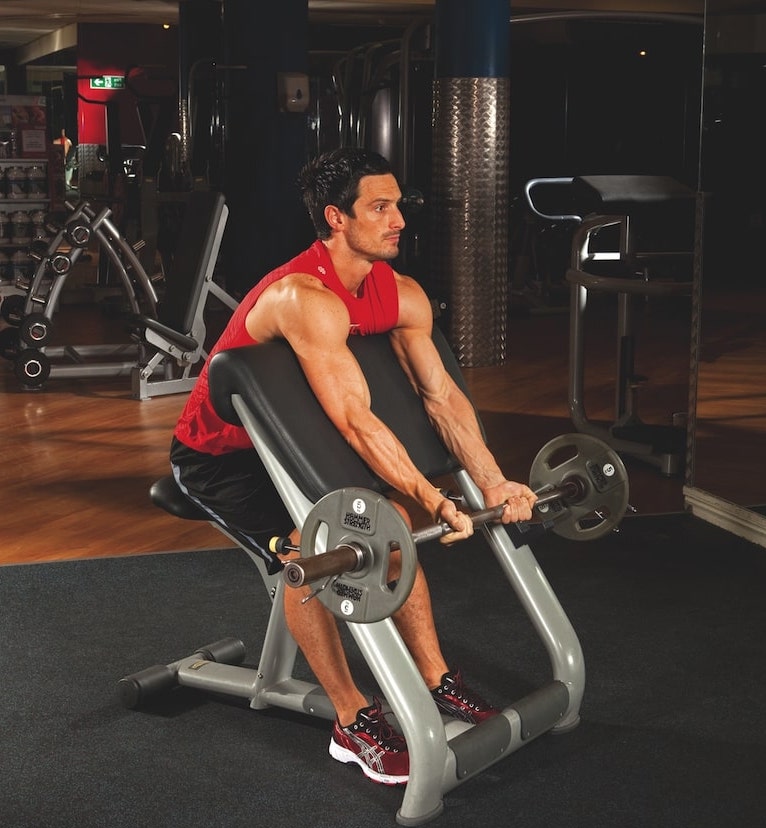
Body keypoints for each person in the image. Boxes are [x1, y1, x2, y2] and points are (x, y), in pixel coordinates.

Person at [170, 148, 537, 785]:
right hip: (223, 459)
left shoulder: (403, 293)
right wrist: (435, 496)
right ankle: (351, 718)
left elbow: (441, 396)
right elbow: (356, 419)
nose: (399, 220)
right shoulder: (303, 296)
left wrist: (493, 480)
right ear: (336, 218)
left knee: (390, 529)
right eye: (381, 208)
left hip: (298, 446)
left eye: (399, 205)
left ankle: (437, 683)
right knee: (308, 556)